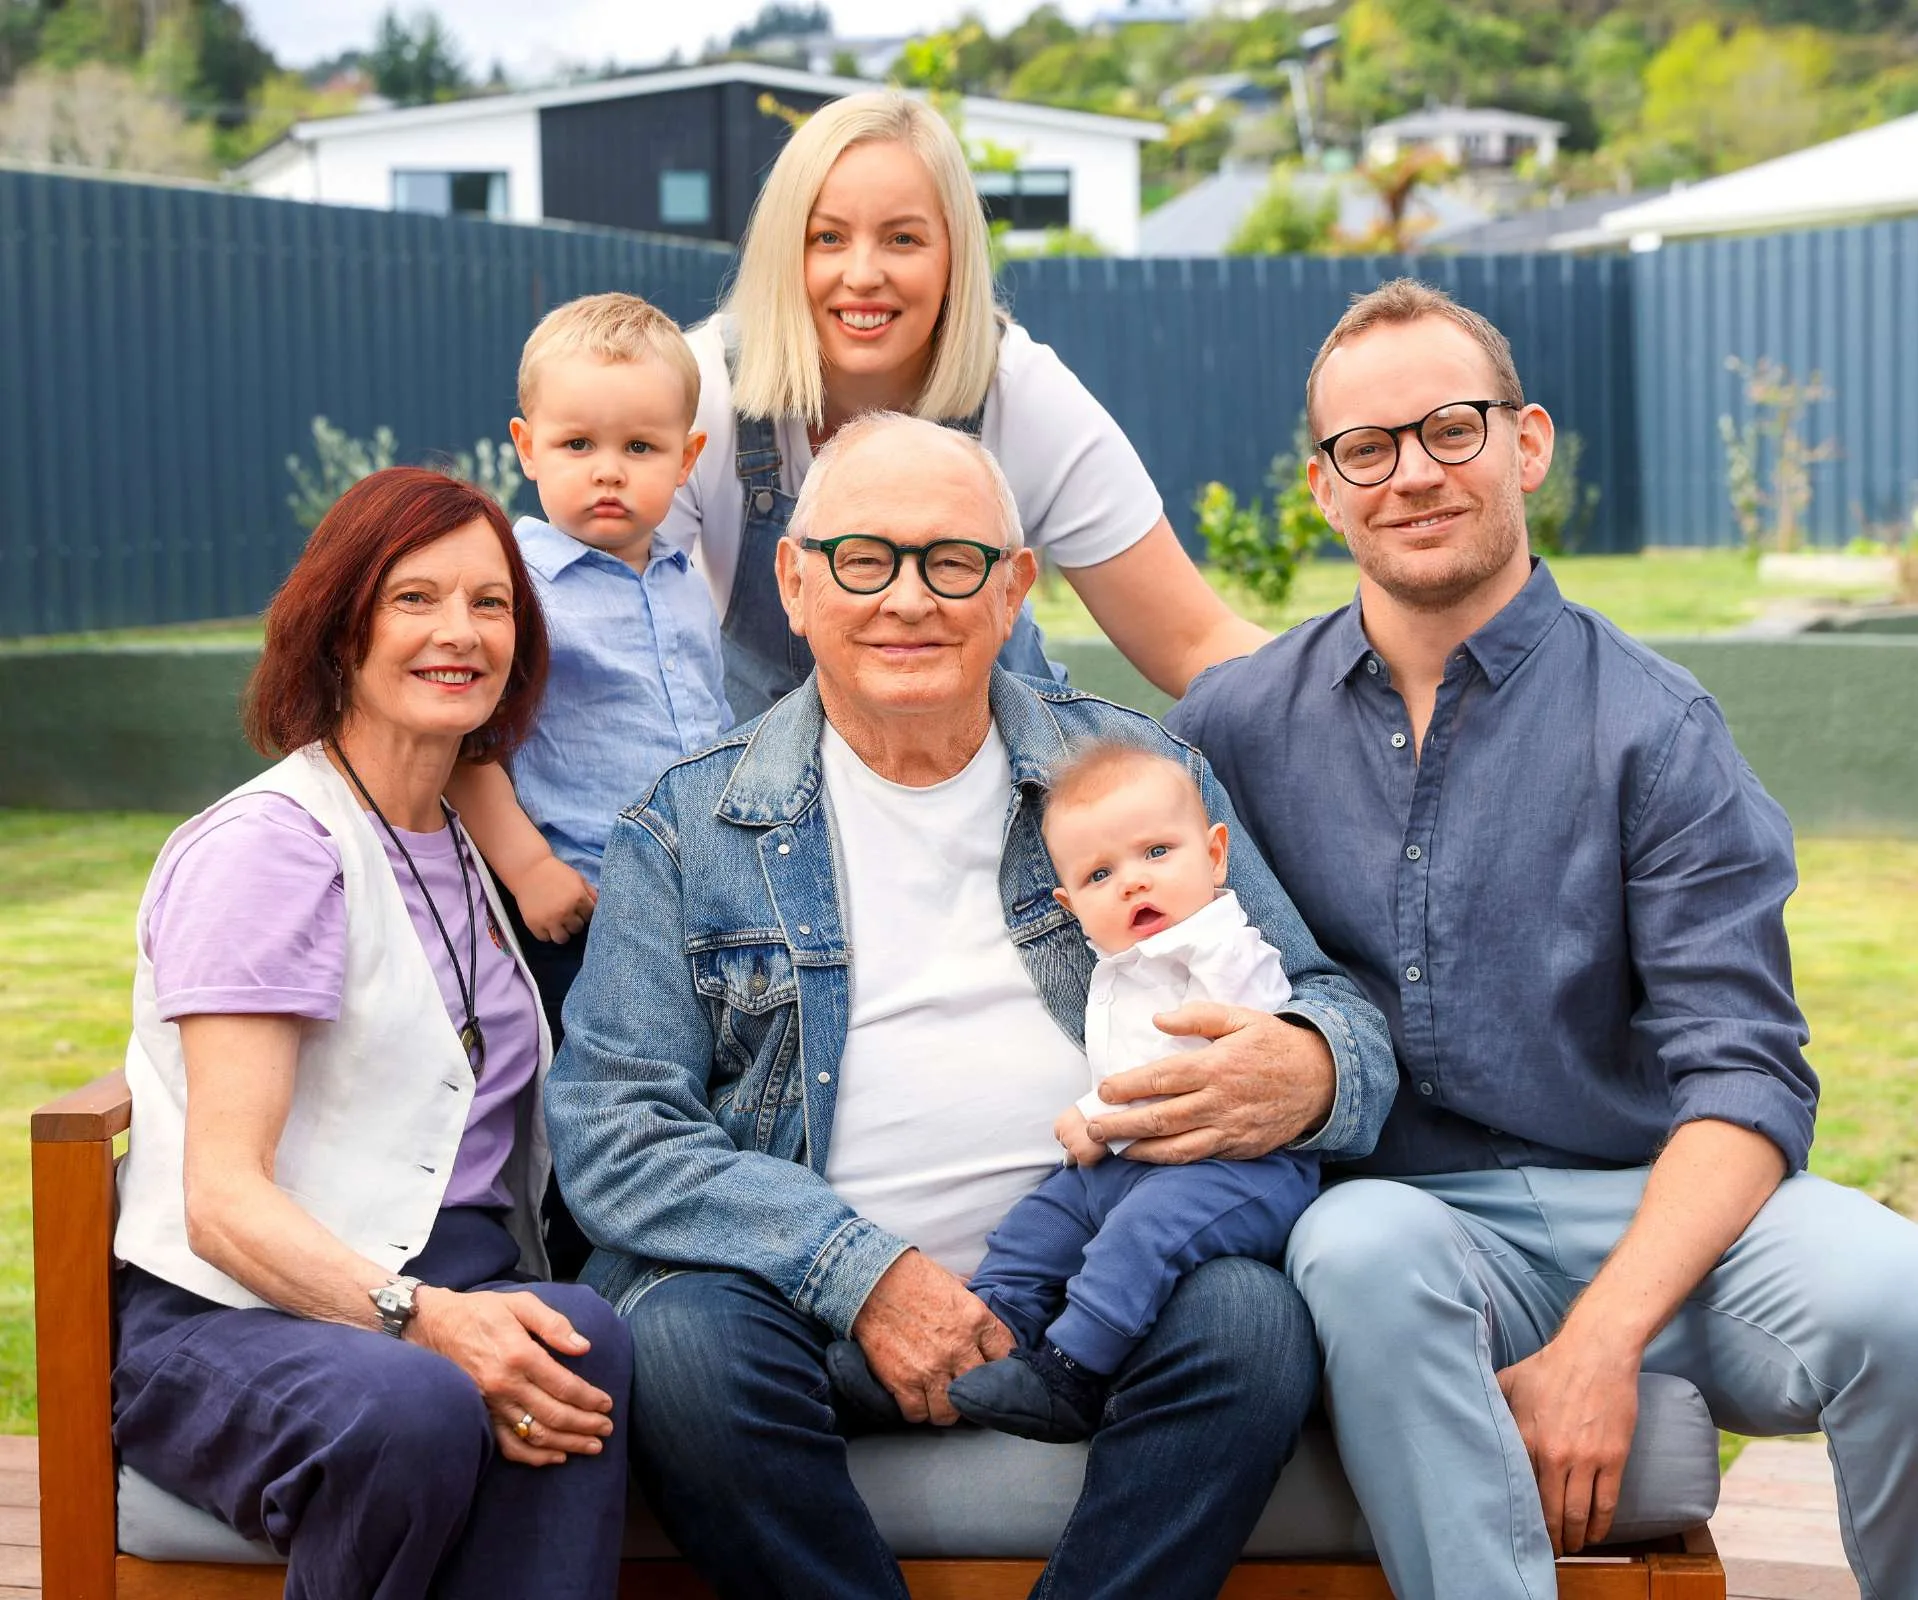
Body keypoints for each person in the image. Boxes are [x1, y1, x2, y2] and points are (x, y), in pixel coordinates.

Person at [546, 412, 1398, 1600]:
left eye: (953, 561)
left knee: (1249, 1323)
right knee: (681, 1347)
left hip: (1096, 1303)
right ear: (794, 581)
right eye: (864, 558)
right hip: (805, 1313)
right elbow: (616, 1128)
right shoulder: (687, 827)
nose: (909, 598)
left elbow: (1331, 1012)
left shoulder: (1134, 779)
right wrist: (862, 1272)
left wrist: (1305, 1066)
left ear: (1013, 592)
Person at [1161, 278, 1918, 1600]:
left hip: (1659, 1206)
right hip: (1404, 1225)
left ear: (1526, 442)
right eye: (1366, 449)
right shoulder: (1234, 728)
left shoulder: (1655, 726)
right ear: (1326, 489)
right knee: (1354, 1253)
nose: (1410, 474)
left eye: (1449, 429)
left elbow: (1744, 1076)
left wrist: (1603, 1337)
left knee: (1901, 1302)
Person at [110, 468, 631, 1600]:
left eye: (491, 604)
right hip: (236, 1315)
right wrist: (424, 1318)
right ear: (340, 627)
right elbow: (222, 1202)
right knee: (414, 1401)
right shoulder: (273, 849)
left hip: (449, 1276)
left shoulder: (457, 837)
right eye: (415, 599)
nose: (461, 632)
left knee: (580, 1335)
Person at [659, 89, 1271, 722]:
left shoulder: (1023, 394)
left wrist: (1360, 699)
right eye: (828, 238)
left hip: (1005, 793)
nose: (864, 273)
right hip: (770, 807)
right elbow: (626, 638)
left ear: (953, 254)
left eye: (902, 239)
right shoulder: (693, 393)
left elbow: (1196, 641)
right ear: (787, 251)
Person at [830, 739, 1318, 1444]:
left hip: (1234, 1167)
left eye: (1158, 853)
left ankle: (1071, 1372)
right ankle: (975, 1356)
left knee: (1139, 1236)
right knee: (1036, 1229)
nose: (1132, 883)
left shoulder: (1222, 948)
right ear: (1069, 904)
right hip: (1128, 1164)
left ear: (1215, 855)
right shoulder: (1120, 962)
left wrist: (1094, 1116)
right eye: (1099, 874)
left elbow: (1204, 1067)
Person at [446, 292, 729, 1039]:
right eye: (578, 446)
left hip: (696, 901)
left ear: (687, 458)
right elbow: (463, 747)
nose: (609, 472)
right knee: (595, 1093)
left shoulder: (683, 581)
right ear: (527, 446)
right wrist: (531, 870)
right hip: (580, 906)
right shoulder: (513, 587)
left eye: (640, 448)